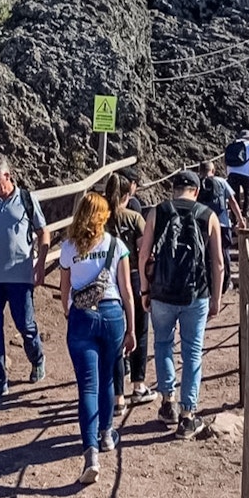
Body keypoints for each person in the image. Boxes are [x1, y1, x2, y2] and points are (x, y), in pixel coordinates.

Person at [138, 170, 225, 440]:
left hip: (162, 293)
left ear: (173, 189)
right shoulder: (208, 215)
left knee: (162, 344)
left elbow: (143, 255)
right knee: (192, 352)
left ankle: (167, 402)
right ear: (196, 191)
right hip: (195, 295)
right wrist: (216, 298)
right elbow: (218, 263)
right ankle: (187, 417)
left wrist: (144, 289)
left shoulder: (157, 212)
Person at [59, 192, 137, 484]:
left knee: (87, 387)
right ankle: (107, 434)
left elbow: (64, 290)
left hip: (82, 317)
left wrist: (70, 314)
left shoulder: (68, 247)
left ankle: (90, 452)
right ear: (104, 216)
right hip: (113, 313)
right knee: (108, 380)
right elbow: (127, 290)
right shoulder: (116, 245)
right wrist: (131, 328)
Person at [0, 158, 49, 402]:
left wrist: (40, 263)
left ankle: (37, 358)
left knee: (25, 325)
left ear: (8, 176)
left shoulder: (26, 199)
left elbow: (42, 231)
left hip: (20, 276)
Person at [103, 172, 154, 414]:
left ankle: (117, 396)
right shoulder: (135, 218)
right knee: (140, 330)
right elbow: (145, 252)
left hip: (107, 278)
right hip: (133, 275)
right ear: (127, 194)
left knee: (114, 333)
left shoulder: (100, 219)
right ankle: (139, 384)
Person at [196, 160, 246, 293]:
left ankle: (207, 285)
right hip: (222, 224)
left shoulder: (196, 185)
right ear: (213, 171)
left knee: (205, 255)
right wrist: (240, 219)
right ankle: (225, 284)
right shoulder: (221, 182)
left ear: (200, 171)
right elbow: (233, 202)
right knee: (223, 254)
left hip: (202, 225)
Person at [224, 130, 249, 217]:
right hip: (245, 174)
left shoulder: (231, 145)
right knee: (248, 193)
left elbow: (225, 160)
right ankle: (245, 213)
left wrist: (227, 172)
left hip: (232, 173)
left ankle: (235, 217)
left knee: (234, 196)